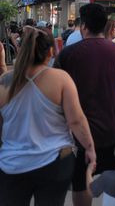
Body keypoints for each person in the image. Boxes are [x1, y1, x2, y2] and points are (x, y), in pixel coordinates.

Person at [54, 3, 115, 206]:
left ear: (84, 26)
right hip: (113, 130)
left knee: (80, 183)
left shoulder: (68, 54)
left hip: (78, 135)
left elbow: (54, 95)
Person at [0, 26, 96, 206]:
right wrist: (90, 148)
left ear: (21, 50)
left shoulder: (4, 82)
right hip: (55, 163)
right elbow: (76, 120)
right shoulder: (61, 79)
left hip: (12, 165)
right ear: (50, 52)